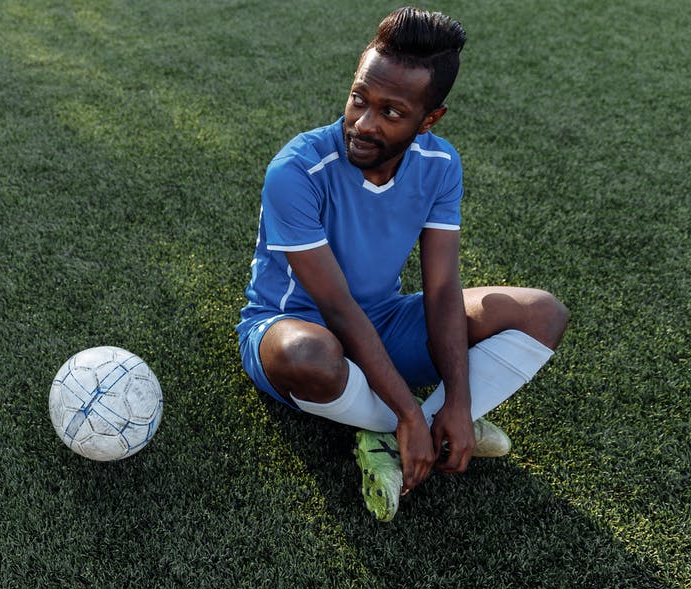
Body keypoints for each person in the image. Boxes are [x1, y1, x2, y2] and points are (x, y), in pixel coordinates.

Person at [236, 7, 568, 522]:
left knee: (541, 313)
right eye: (359, 98)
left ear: (429, 119)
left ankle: (428, 425)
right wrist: (408, 411)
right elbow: (336, 306)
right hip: (290, 329)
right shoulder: (297, 170)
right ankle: (403, 428)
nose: (363, 124)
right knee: (310, 354)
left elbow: (441, 291)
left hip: (384, 320)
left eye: (391, 112)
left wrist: (458, 401)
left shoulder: (441, 164)